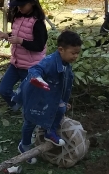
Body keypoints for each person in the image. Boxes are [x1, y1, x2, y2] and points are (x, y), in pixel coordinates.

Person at [15, 30, 82, 162]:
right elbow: (35, 70)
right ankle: (24, 145)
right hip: (36, 96)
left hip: (50, 97)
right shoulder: (49, 61)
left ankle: (49, 132)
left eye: (77, 53)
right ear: (61, 49)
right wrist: (37, 78)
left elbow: (63, 86)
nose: (75, 56)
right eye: (73, 53)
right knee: (30, 121)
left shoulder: (66, 66)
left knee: (61, 108)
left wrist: (63, 100)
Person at [0, 0, 47, 110]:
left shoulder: (37, 23)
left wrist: (21, 41)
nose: (19, 7)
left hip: (31, 67)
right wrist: (5, 35)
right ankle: (17, 107)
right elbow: (17, 34)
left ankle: (34, 113)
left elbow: (39, 46)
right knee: (3, 89)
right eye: (18, 4)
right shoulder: (18, 17)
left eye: (22, 5)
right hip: (16, 63)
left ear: (32, 3)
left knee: (31, 95)